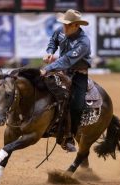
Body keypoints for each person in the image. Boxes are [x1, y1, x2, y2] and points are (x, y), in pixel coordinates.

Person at [40, 9, 91, 152]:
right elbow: (53, 41)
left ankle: (69, 136)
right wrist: (50, 52)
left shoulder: (83, 42)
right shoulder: (60, 31)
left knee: (76, 105)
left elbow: (67, 60)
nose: (64, 27)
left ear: (76, 25)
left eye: (68, 25)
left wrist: (49, 68)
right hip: (61, 71)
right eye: (64, 24)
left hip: (78, 75)